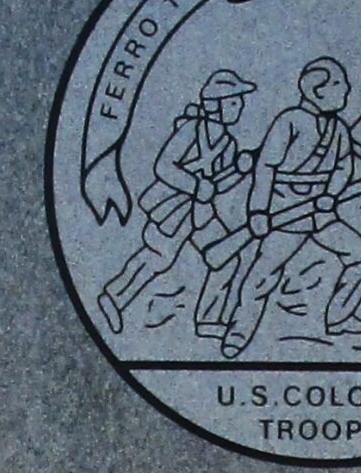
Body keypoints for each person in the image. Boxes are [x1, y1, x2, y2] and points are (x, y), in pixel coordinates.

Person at [220, 57, 361, 360]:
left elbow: (344, 166)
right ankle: (238, 332)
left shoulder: (338, 129)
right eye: (338, 84)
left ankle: (339, 317)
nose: (346, 89)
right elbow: (265, 167)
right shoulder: (289, 121)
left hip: (320, 213)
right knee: (263, 275)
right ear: (317, 91)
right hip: (287, 212)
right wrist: (258, 212)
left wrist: (331, 193)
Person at [97, 70, 254, 334]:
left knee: (225, 258)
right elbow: (164, 166)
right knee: (158, 257)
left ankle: (208, 320)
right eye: (233, 101)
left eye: (239, 101)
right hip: (173, 208)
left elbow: (216, 187)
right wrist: (195, 186)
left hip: (201, 213)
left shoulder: (228, 144)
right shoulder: (191, 130)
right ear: (215, 104)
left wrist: (239, 172)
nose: (239, 106)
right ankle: (114, 297)